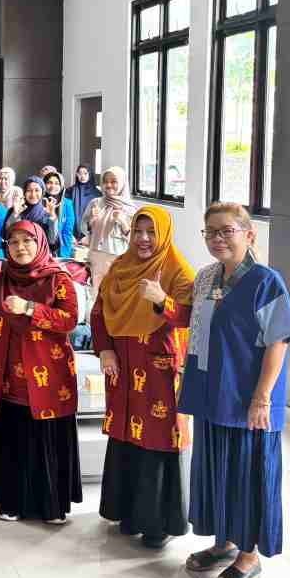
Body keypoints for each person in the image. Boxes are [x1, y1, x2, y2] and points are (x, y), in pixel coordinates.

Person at [178, 202, 290, 578]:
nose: (218, 238)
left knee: (248, 476)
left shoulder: (266, 281)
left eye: (226, 231)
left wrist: (262, 397)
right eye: (211, 232)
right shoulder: (208, 277)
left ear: (249, 234)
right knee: (217, 470)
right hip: (211, 394)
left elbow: (279, 340)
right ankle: (225, 542)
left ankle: (249, 556)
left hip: (247, 398)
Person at [92, 205, 195, 548]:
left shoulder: (178, 270)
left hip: (159, 371)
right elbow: (99, 311)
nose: (144, 239)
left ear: (163, 233)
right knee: (125, 435)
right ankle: (127, 512)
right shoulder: (121, 266)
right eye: (138, 231)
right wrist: (104, 349)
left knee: (157, 439)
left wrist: (162, 300)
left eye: (151, 232)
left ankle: (157, 523)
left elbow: (190, 317)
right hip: (122, 368)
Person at [0, 221, 81, 522]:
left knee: (46, 439)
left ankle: (51, 506)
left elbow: (69, 319)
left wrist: (29, 308)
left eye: (27, 240)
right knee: (13, 439)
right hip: (8, 376)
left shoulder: (58, 278)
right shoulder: (1, 279)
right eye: (13, 242)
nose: (20, 247)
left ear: (41, 243)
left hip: (48, 376)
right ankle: (11, 501)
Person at [80, 166, 136, 289]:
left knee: (115, 293)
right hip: (96, 256)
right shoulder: (95, 203)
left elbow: (134, 239)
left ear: (122, 183)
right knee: (95, 292)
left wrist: (123, 222)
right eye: (105, 181)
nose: (109, 185)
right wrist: (91, 221)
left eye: (113, 181)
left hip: (118, 257)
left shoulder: (130, 209)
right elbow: (83, 228)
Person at [4, 176, 59, 251]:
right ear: (24, 192)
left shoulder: (46, 213)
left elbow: (52, 241)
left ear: (42, 192)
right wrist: (15, 214)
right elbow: (7, 234)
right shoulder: (15, 210)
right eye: (29, 190)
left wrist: (52, 217)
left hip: (40, 254)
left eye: (37, 190)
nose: (33, 194)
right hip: (18, 252)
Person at [43, 171, 77, 259]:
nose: (53, 186)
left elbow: (67, 231)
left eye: (57, 183)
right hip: (41, 248)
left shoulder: (67, 204)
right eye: (49, 182)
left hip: (60, 250)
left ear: (61, 186)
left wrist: (65, 255)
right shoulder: (39, 202)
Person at [68, 164, 101, 241]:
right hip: (72, 235)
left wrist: (89, 235)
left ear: (90, 174)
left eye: (85, 173)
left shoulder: (97, 194)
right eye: (80, 173)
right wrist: (69, 233)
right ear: (76, 174)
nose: (82, 176)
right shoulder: (70, 191)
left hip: (90, 235)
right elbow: (66, 214)